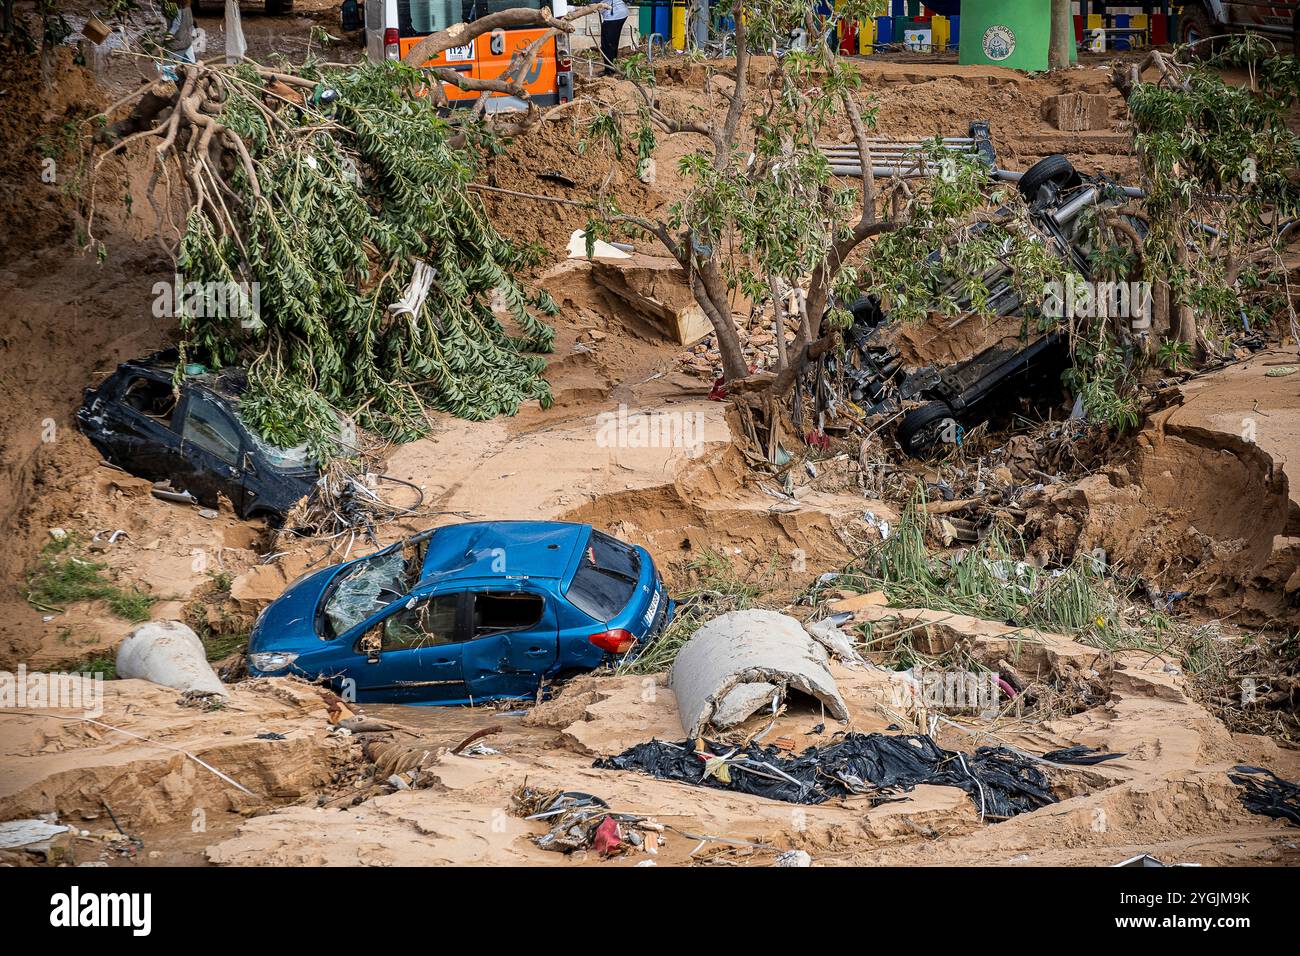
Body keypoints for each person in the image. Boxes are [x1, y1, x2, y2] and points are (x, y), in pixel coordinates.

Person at [599, 0, 628, 76]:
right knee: (612, 43)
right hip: (619, 12)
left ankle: (609, 71)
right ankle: (612, 68)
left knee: (607, 45)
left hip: (614, 15)